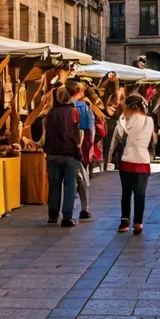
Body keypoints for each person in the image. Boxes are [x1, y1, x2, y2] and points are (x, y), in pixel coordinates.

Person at [109, 94, 156, 235]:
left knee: (126, 193)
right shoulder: (149, 120)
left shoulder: (124, 120)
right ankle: (138, 222)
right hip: (143, 160)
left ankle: (124, 221)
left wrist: (110, 157)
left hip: (127, 160)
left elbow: (116, 139)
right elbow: (152, 141)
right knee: (140, 194)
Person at [42, 86, 83, 227]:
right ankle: (67, 217)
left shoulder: (50, 113)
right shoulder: (73, 112)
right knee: (70, 185)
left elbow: (46, 133)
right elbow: (77, 134)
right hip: (69, 152)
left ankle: (53, 215)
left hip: (52, 152)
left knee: (54, 185)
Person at [69, 81, 94, 220]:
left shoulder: (55, 107)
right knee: (82, 180)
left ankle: (61, 211)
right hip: (79, 149)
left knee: (65, 181)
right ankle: (84, 208)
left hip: (62, 149)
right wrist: (87, 149)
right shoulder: (83, 107)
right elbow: (88, 130)